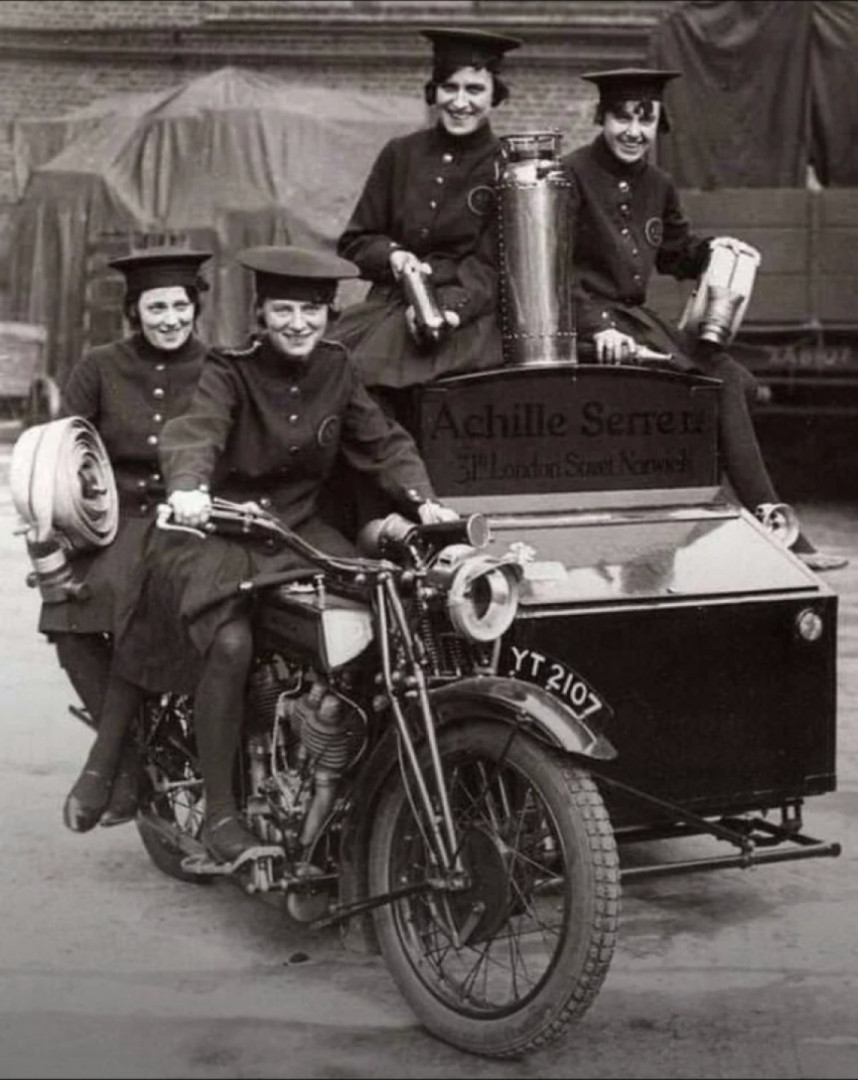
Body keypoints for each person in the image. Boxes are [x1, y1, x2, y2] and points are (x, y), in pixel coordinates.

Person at [110, 245, 458, 865]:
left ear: (328, 316)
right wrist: (189, 488)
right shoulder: (229, 368)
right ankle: (222, 816)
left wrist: (425, 502)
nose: (298, 323)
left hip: (296, 529)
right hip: (219, 531)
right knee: (232, 644)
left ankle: (339, 763)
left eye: (312, 312)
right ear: (261, 314)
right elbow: (198, 430)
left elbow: (383, 443)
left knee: (387, 608)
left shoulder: (337, 368)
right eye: (284, 310)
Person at [562, 67, 847, 572]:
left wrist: (715, 250)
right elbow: (552, 270)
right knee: (721, 388)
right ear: (601, 118)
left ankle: (725, 518)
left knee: (746, 385)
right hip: (590, 328)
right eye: (622, 118)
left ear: (658, 125)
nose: (633, 131)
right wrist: (594, 326)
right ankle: (771, 521)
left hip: (635, 320)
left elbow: (675, 253)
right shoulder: (572, 174)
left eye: (645, 119)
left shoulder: (658, 183)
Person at [53, 248, 215, 832]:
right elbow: (64, 446)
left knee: (138, 607)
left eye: (179, 305)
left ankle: (106, 770)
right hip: (112, 522)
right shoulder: (100, 365)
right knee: (65, 619)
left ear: (195, 308)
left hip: (188, 525)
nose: (170, 318)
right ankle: (128, 763)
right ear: (134, 311)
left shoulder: (220, 366)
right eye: (156, 307)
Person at [332, 25, 521, 430]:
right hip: (388, 304)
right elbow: (356, 240)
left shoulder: (507, 166)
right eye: (449, 88)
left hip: (467, 316)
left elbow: (492, 267)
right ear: (433, 92)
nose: (460, 102)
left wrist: (445, 313)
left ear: (495, 96)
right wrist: (394, 256)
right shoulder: (401, 154)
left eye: (474, 90)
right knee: (330, 371)